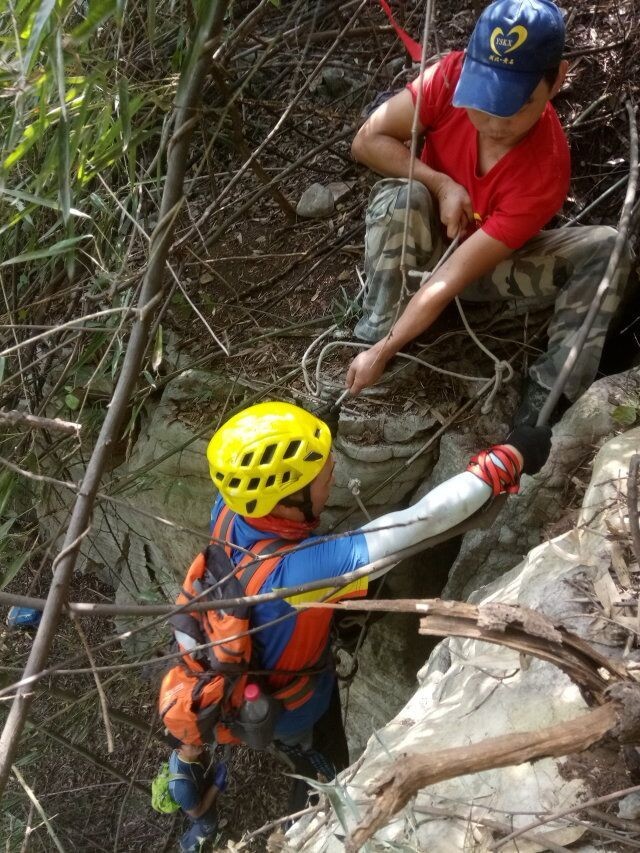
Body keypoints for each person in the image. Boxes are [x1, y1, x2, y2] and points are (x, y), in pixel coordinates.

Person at [205, 400, 551, 806]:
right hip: (296, 709)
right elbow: (423, 521)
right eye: (322, 476)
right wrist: (508, 459)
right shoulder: (300, 575)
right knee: (326, 772)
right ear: (285, 500)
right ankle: (310, 821)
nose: (331, 479)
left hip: (276, 664)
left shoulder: (231, 510)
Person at [345, 0, 632, 424]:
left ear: (558, 82)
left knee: (609, 246)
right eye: (482, 101)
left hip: (483, 271)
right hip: (425, 244)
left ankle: (547, 396)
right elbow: (367, 140)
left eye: (516, 105)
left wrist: (388, 350)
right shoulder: (449, 75)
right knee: (401, 195)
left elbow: (452, 276)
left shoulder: (544, 172)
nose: (495, 121)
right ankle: (375, 330)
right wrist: (440, 183)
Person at [168, 742, 227, 853]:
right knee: (206, 825)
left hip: (195, 795)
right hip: (198, 810)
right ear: (178, 750)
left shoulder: (190, 754)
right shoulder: (183, 788)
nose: (197, 741)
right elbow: (198, 812)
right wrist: (216, 786)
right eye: (189, 742)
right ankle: (188, 846)